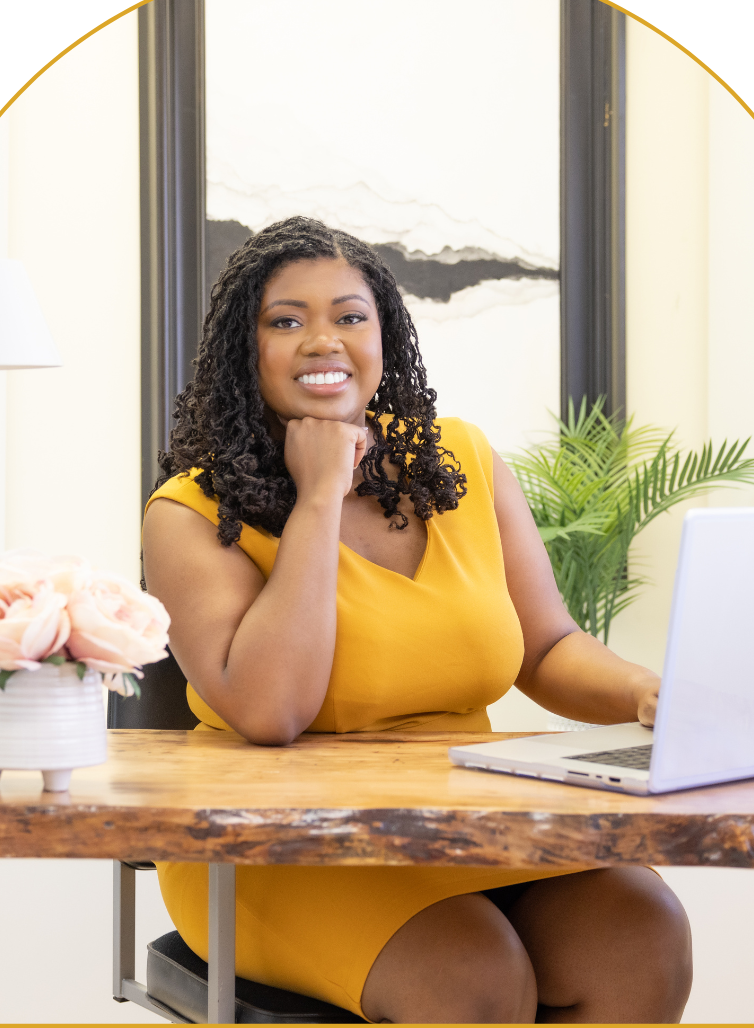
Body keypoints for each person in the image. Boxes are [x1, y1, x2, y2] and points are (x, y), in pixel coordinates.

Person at [141, 216, 693, 1024]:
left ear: (384, 337)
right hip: (275, 844)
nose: (322, 340)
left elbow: (547, 646)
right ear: (243, 350)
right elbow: (269, 710)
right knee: (471, 975)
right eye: (286, 320)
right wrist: (321, 491)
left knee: (642, 935)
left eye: (349, 317)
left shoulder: (462, 459)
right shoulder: (192, 511)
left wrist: (651, 692)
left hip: (467, 820)